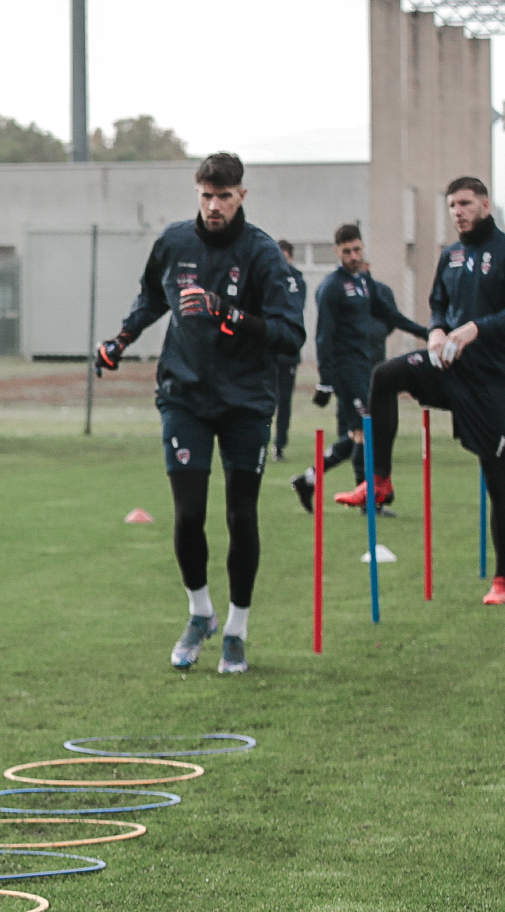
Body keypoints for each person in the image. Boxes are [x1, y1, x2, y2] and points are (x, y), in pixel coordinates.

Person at [95, 153, 305, 673]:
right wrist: (121, 340)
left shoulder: (261, 254)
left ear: (241, 196)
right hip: (184, 395)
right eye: (206, 196)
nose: (214, 206)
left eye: (224, 197)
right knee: (188, 513)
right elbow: (151, 298)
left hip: (246, 402)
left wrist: (227, 313)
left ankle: (236, 629)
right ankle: (200, 613)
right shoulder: (174, 242)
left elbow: (289, 335)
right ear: (198, 193)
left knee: (240, 515)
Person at [346, 176, 505, 604]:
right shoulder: (451, 255)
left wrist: (475, 328)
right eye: (452, 206)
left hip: (489, 382)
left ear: (484, 205)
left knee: (497, 478)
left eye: (465, 204)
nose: (458, 212)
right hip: (448, 368)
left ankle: (502, 580)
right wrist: (438, 330)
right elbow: (438, 304)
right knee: (385, 376)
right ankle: (380, 481)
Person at [289, 225, 425, 515]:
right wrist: (326, 381)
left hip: (365, 367)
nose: (353, 256)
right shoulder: (331, 287)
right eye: (347, 251)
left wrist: (426, 332)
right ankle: (367, 501)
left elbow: (389, 314)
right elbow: (323, 336)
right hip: (345, 371)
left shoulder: (363, 282)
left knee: (358, 433)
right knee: (366, 429)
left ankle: (309, 480)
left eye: (357, 250)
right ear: (337, 252)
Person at [272, 240, 306, 462]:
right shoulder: (267, 276)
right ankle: (260, 441)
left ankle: (279, 445)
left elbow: (294, 309)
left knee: (284, 401)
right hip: (269, 351)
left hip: (288, 352)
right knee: (266, 400)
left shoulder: (298, 280)